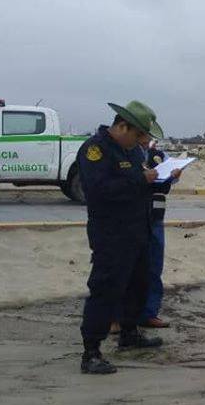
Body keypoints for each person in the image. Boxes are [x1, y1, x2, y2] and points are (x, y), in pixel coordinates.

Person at [77, 101, 165, 375]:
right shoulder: (96, 149)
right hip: (111, 232)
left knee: (137, 283)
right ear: (122, 126)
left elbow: (142, 185)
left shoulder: (134, 151)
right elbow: (99, 189)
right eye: (138, 135)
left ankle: (130, 332)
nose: (141, 142)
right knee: (107, 288)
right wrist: (142, 180)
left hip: (138, 229)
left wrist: (162, 178)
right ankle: (91, 351)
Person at [137, 138, 183, 329]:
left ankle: (149, 313)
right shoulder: (124, 153)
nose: (148, 138)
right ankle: (116, 317)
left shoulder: (157, 155)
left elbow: (163, 186)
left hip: (155, 215)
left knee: (154, 266)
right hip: (134, 216)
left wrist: (173, 176)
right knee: (127, 267)